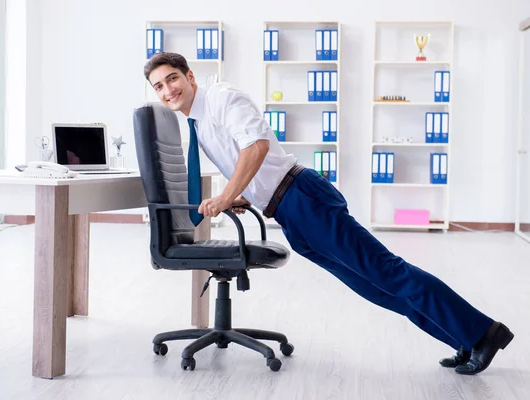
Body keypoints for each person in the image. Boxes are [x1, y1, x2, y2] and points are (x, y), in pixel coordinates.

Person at [143, 52, 514, 375]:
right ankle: (461, 339)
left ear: (190, 77)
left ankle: (483, 333)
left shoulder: (221, 98)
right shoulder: (198, 123)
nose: (167, 90)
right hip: (286, 211)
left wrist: (227, 194)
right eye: (158, 86)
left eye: (172, 79)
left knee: (388, 272)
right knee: (375, 287)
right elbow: (249, 159)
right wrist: (243, 196)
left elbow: (255, 146)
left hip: (302, 198)